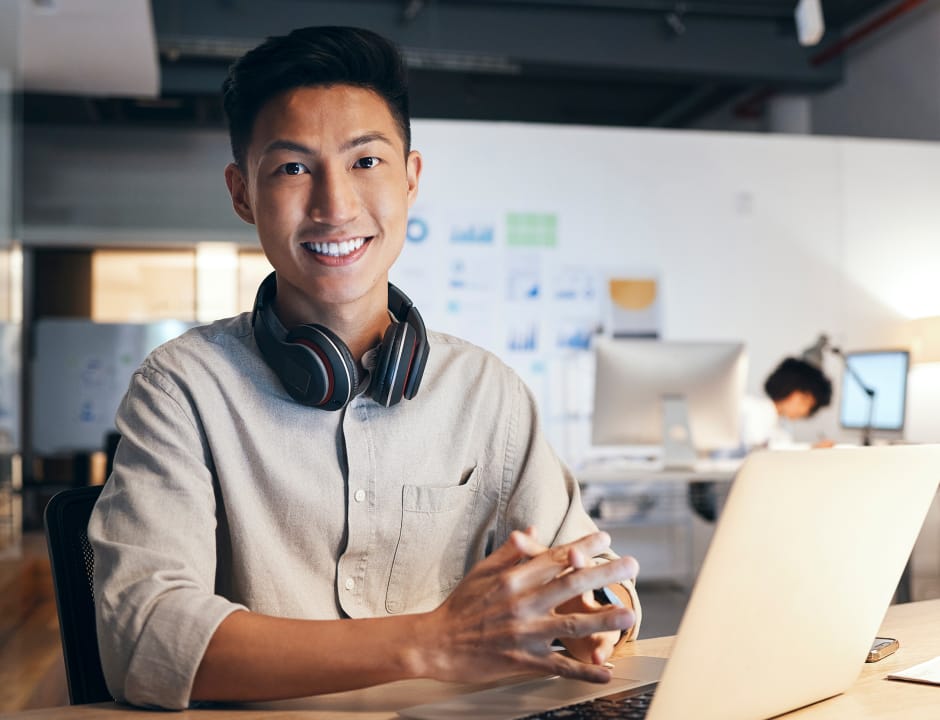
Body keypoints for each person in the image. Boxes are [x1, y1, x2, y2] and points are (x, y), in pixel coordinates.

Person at [87, 26, 640, 710]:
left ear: (410, 179)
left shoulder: (485, 392)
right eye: (292, 168)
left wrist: (592, 616)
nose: (335, 206)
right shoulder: (181, 388)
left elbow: (596, 579)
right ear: (241, 194)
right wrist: (430, 641)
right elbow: (145, 637)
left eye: (366, 163)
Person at [742, 356, 833, 450]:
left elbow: (783, 450)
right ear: (793, 392)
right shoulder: (750, 408)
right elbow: (758, 451)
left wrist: (813, 448)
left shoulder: (782, 429)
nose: (805, 411)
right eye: (805, 401)